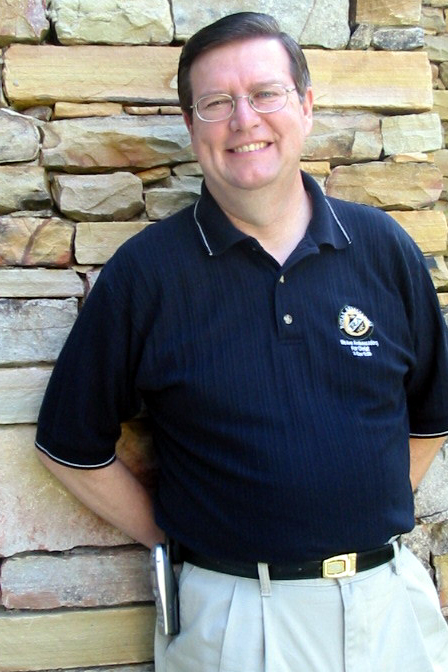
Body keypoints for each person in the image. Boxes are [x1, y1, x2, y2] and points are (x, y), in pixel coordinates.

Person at [35, 11, 448, 672]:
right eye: (217, 103)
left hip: (389, 611)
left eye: (265, 94)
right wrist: (178, 536)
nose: (244, 120)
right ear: (191, 124)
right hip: (235, 624)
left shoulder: (383, 249)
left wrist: (354, 516)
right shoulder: (146, 275)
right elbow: (69, 446)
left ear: (306, 105)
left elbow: (433, 414)